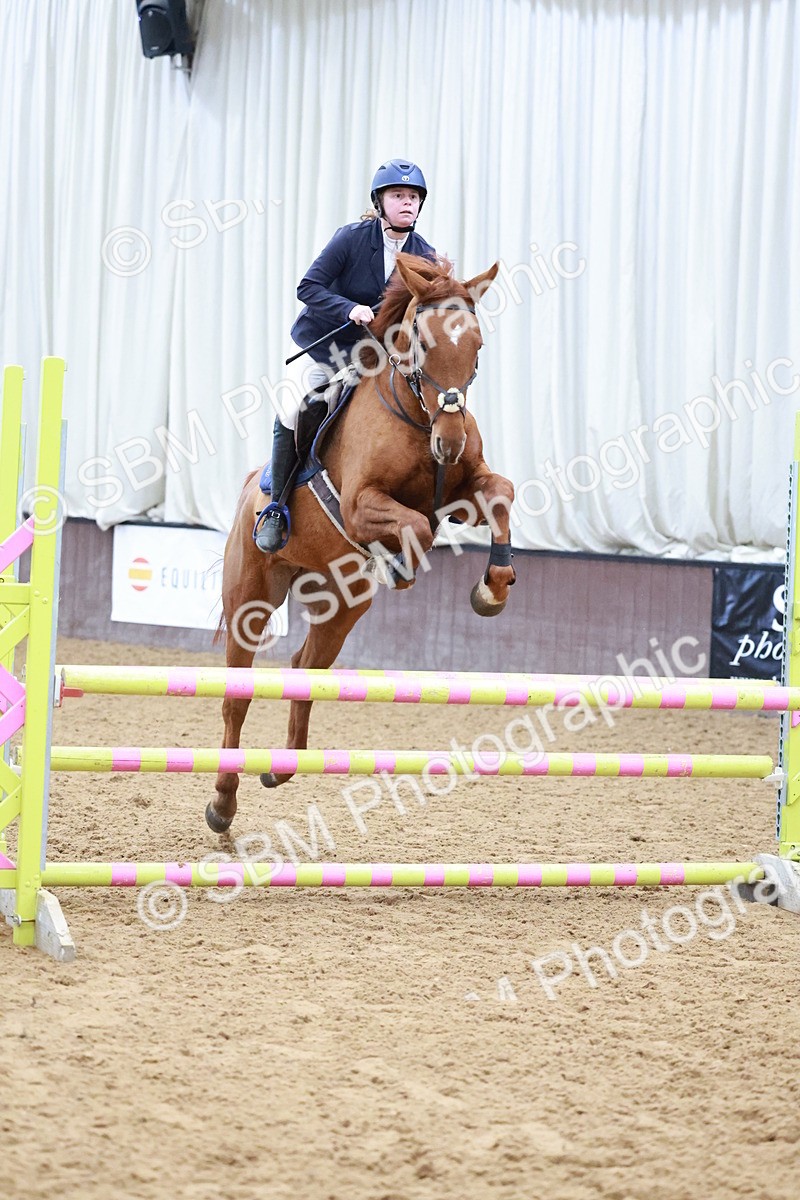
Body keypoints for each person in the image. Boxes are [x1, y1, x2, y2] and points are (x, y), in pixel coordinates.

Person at [254, 159, 437, 552]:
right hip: (321, 344)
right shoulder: (352, 238)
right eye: (397, 196)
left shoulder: (425, 255)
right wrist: (347, 308)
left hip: (370, 357)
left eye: (412, 197)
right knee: (291, 408)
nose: (406, 203)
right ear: (380, 201)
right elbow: (308, 287)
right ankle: (275, 508)